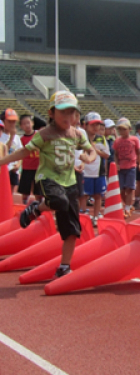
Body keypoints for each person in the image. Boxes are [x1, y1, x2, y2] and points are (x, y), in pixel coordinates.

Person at [0, 91, 96, 277]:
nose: (68, 117)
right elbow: (24, 152)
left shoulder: (76, 134)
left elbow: (91, 150)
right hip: (48, 178)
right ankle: (36, 208)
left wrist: (88, 157)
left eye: (72, 112)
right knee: (59, 201)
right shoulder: (44, 134)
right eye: (63, 112)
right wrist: (3, 161)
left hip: (69, 182)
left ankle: (64, 267)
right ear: (51, 113)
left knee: (73, 230)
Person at [83, 112, 110, 227]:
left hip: (99, 172)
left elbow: (107, 155)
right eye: (92, 125)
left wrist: (96, 150)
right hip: (85, 172)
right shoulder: (81, 138)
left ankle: (95, 216)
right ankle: (83, 216)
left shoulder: (101, 139)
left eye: (98, 125)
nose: (95, 127)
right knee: (83, 196)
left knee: (98, 195)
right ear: (86, 125)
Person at [113, 118, 140, 218]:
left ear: (130, 129)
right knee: (121, 189)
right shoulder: (117, 141)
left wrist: (139, 163)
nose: (122, 131)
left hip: (131, 167)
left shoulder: (134, 140)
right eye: (120, 129)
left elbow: (138, 152)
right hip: (121, 168)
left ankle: (127, 208)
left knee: (129, 188)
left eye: (124, 129)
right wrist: (116, 163)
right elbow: (115, 154)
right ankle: (128, 205)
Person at [18, 115, 42, 204]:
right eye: (24, 124)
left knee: (38, 190)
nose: (27, 125)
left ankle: (39, 204)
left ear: (32, 123)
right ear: (21, 126)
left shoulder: (39, 135)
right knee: (25, 189)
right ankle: (24, 204)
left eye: (28, 122)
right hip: (27, 167)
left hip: (39, 167)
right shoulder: (22, 139)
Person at [0, 109, 22, 193]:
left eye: (14, 121)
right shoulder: (1, 136)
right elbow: (4, 151)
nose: (12, 124)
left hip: (13, 169)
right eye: (9, 121)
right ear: (3, 121)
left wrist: (18, 165)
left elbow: (20, 151)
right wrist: (11, 137)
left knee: (11, 191)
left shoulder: (17, 137)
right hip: (4, 169)